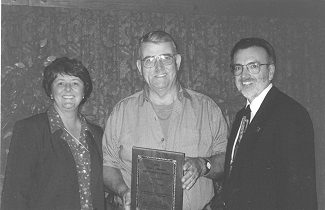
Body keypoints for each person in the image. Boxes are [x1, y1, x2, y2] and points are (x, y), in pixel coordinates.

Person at [102, 30, 228, 210]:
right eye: (150, 60)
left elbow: (227, 160)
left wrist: (202, 165)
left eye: (165, 58)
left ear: (177, 61)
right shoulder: (121, 112)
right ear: (139, 67)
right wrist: (122, 191)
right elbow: (108, 164)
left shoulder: (208, 109)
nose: (158, 68)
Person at [223, 37, 318, 210]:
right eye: (238, 68)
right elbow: (236, 178)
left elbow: (300, 194)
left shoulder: (290, 114)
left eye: (253, 66)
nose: (244, 75)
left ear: (271, 71)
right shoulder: (241, 117)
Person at [1, 57, 105, 210]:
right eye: (60, 83)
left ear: (84, 91)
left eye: (75, 83)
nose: (68, 89)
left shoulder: (96, 134)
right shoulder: (30, 129)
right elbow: (14, 194)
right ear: (50, 91)